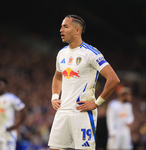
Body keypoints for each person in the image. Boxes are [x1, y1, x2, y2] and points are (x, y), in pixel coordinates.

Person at [48, 14, 120, 150]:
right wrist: (55, 97)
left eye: (65, 26)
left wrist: (97, 103)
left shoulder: (91, 53)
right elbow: (58, 76)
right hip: (63, 111)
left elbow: (114, 79)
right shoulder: (61, 53)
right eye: (61, 26)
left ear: (77, 30)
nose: (61, 30)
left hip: (81, 112)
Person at [0, 77, 27, 150]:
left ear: (5, 86)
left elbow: (23, 111)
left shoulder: (11, 98)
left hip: (8, 132)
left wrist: (16, 126)